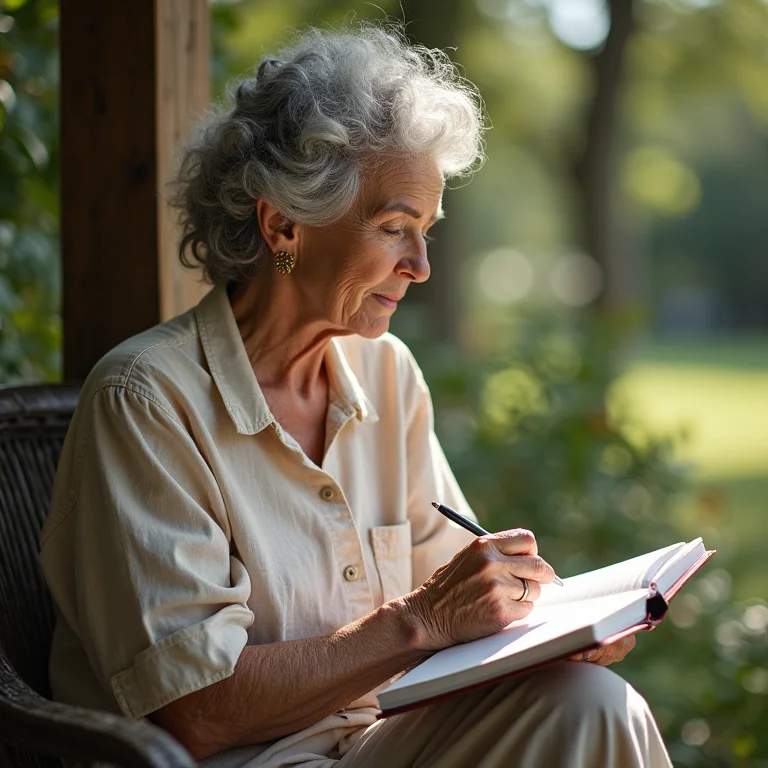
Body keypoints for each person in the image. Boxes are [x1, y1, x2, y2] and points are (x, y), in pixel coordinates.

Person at [40, 22, 671, 768]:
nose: (421, 266)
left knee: (590, 703)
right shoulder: (147, 399)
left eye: (427, 231)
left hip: (371, 744)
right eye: (395, 228)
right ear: (284, 225)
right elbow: (196, 712)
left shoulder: (387, 374)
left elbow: (457, 607)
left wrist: (547, 627)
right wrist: (422, 619)